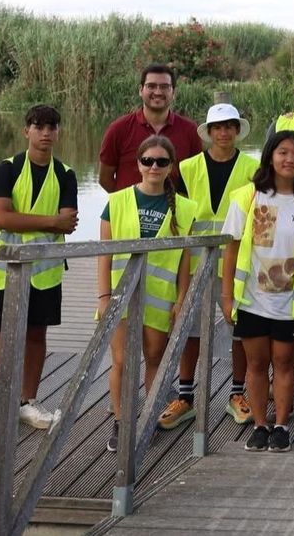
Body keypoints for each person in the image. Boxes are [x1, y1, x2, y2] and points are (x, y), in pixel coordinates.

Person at [219, 130, 294, 453]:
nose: (289, 159)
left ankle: (280, 424)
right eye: (282, 152)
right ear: (270, 156)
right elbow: (231, 249)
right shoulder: (247, 197)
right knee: (256, 363)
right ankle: (260, 425)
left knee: (285, 362)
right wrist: (227, 296)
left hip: (293, 301)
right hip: (252, 298)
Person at [0, 105, 79, 441]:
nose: (46, 132)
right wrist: (51, 221)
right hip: (5, 271)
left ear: (58, 131)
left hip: (45, 274)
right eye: (39, 126)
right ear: (27, 131)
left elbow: (70, 218)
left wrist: (42, 220)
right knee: (4, 338)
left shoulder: (66, 173)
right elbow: (2, 218)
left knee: (36, 336)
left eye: (52, 126)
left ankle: (26, 402)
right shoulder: (6, 169)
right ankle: (1, 408)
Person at [98, 135, 198, 453]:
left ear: (171, 167)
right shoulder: (116, 201)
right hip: (121, 295)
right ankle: (121, 421)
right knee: (122, 360)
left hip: (159, 295)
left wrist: (181, 298)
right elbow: (105, 255)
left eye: (162, 162)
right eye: (148, 161)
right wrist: (104, 296)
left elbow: (185, 259)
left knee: (155, 358)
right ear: (138, 164)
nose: (154, 167)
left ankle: (150, 418)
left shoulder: (184, 207)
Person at [175, 104, 260, 428]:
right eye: (217, 127)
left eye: (229, 126)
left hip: (236, 265)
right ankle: (185, 397)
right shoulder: (186, 168)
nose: (223, 132)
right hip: (194, 265)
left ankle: (237, 393)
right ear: (209, 132)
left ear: (237, 131)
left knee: (238, 331)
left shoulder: (253, 169)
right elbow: (178, 218)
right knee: (190, 331)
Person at [98, 64, 203, 192]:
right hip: (129, 210)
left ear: (173, 92)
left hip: (174, 210)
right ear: (141, 90)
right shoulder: (118, 129)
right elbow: (105, 178)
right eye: (151, 86)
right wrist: (125, 202)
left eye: (164, 87)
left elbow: (196, 178)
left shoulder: (190, 130)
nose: (158, 92)